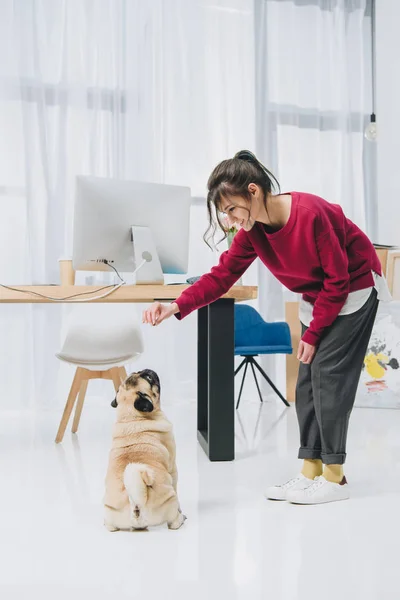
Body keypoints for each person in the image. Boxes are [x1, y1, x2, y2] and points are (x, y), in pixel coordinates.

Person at [142, 150, 391, 505]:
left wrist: (314, 333)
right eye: (223, 213)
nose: (228, 220)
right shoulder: (252, 232)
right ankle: (310, 472)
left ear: (254, 192)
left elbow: (337, 280)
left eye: (230, 209)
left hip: (352, 289)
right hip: (317, 296)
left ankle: (335, 478)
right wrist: (176, 305)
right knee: (307, 386)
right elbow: (221, 276)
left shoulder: (311, 215)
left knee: (329, 379)